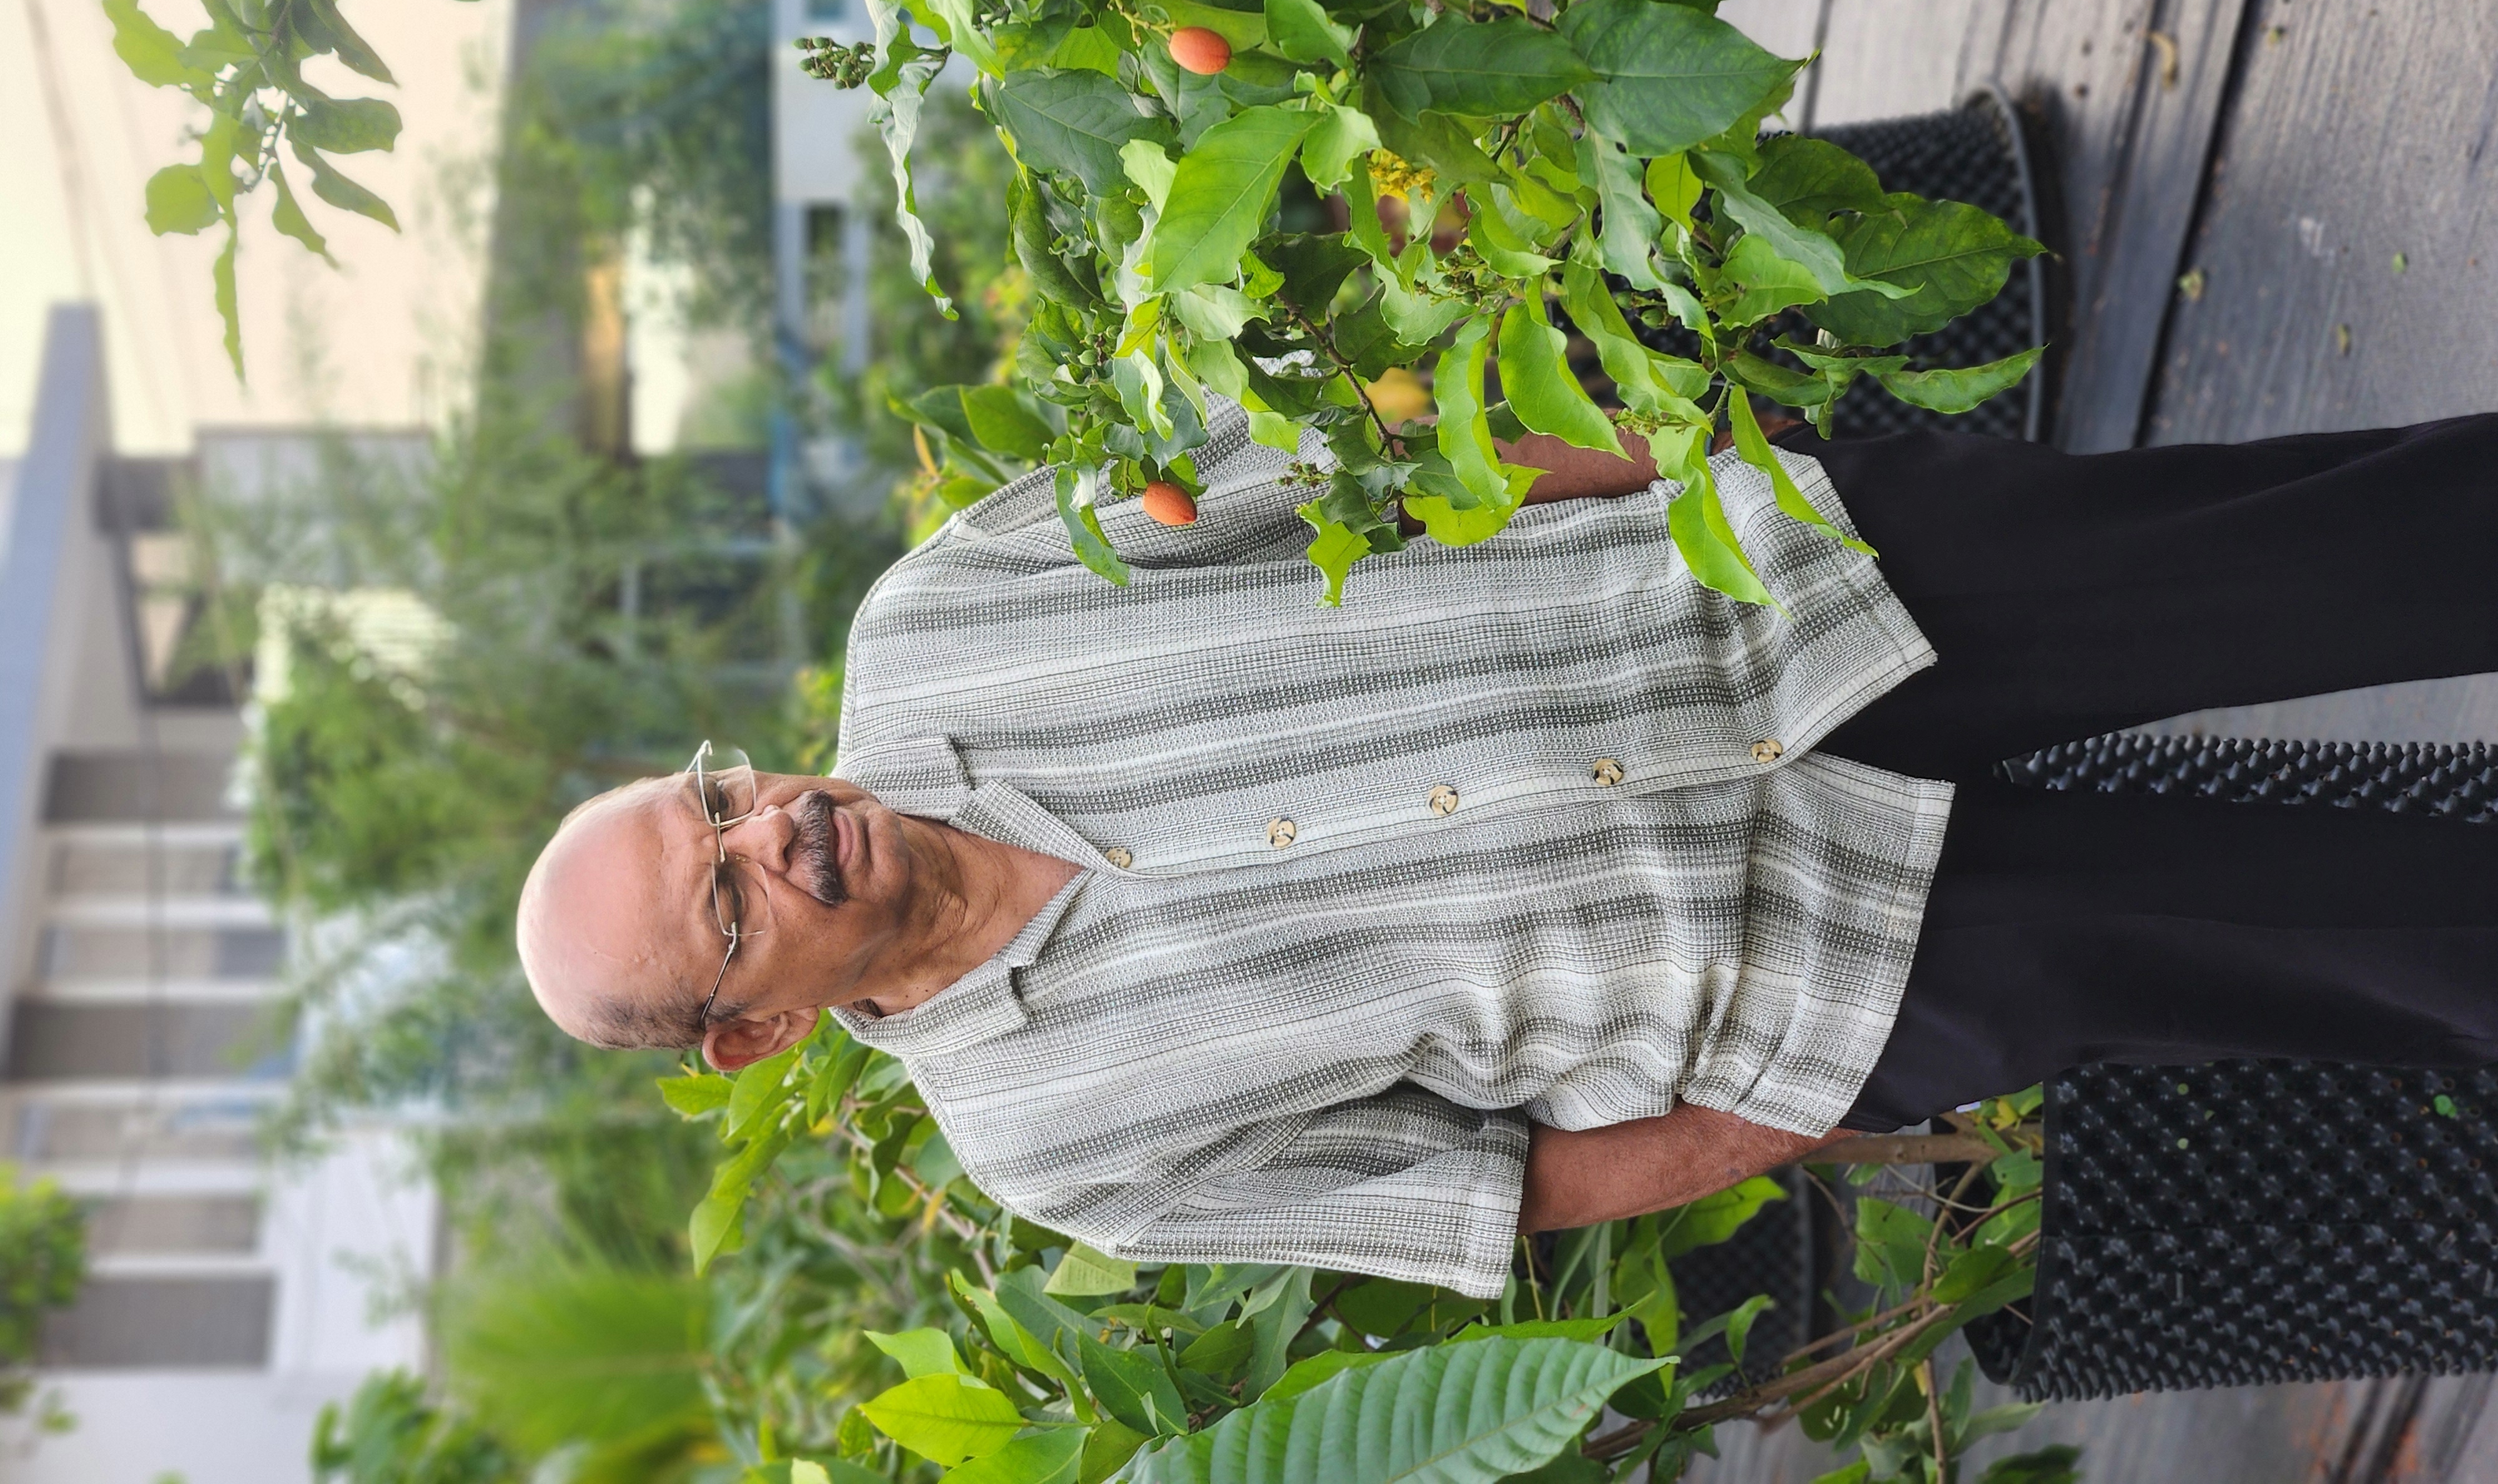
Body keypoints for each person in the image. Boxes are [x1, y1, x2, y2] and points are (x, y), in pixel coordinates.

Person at [517, 402, 2498, 1299]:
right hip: (1815, 964)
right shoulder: (1055, 1150)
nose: (772, 826)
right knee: (2353, 947)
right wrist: (1768, 1114)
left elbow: (1339, 461)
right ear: (751, 1037)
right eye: (727, 896)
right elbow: (1486, 1193)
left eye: (716, 798)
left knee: (2312, 554)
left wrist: (1682, 457)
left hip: (1767, 593)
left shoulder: (938, 612)